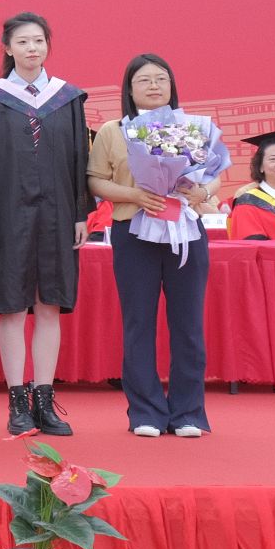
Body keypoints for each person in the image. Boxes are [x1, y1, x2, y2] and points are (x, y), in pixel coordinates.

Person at [85, 54, 221, 437]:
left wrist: (202, 192)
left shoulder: (191, 126)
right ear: (129, 90)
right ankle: (145, 412)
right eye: (144, 80)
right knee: (139, 323)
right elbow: (95, 180)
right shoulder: (113, 131)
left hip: (186, 233)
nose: (154, 86)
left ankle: (188, 413)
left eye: (161, 79)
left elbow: (214, 176)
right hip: (133, 232)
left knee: (188, 324)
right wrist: (134, 194)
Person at [0, 12, 88, 437]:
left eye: (38, 40)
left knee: (50, 306)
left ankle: (45, 401)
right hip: (9, 213)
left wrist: (80, 213)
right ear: (8, 48)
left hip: (58, 213)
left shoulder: (68, 99)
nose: (32, 48)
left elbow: (79, 159)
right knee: (14, 307)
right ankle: (17, 403)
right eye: (22, 42)